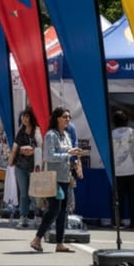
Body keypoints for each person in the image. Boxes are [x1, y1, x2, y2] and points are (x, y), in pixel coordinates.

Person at [30, 108, 81, 254]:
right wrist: (67, 154)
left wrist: (75, 157)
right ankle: (37, 238)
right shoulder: (50, 135)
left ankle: (60, 242)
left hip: (65, 176)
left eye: (69, 117)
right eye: (65, 116)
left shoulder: (66, 135)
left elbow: (68, 153)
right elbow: (49, 156)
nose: (68, 119)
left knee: (63, 211)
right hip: (54, 178)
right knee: (54, 209)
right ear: (57, 118)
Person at [111, 111, 134, 229]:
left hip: (117, 171)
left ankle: (117, 221)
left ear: (114, 122)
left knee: (118, 198)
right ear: (127, 121)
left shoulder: (111, 134)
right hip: (133, 170)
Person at [7, 110, 40, 228]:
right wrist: (11, 160)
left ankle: (37, 215)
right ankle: (23, 216)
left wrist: (33, 151)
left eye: (26, 116)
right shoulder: (20, 132)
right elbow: (15, 148)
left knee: (35, 194)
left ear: (31, 117)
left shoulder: (37, 131)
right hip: (20, 166)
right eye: (22, 117)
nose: (24, 119)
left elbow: (41, 147)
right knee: (24, 193)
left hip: (34, 167)